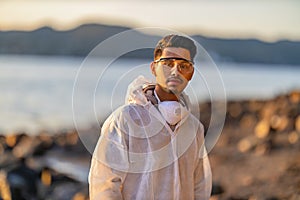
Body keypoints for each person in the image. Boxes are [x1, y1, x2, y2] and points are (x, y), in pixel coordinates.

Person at [89, 34, 212, 199]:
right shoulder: (125, 120)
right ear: (154, 68)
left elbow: (200, 186)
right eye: (168, 64)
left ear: (191, 73)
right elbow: (104, 184)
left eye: (184, 65)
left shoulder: (194, 128)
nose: (175, 71)